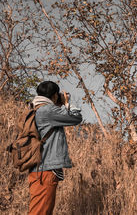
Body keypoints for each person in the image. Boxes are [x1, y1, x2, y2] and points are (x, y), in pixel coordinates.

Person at [28, 81, 82, 215]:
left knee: (39, 208)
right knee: (41, 211)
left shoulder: (33, 108)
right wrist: (66, 103)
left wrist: (58, 104)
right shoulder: (48, 110)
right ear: (54, 96)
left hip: (37, 167)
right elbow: (76, 117)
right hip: (46, 169)